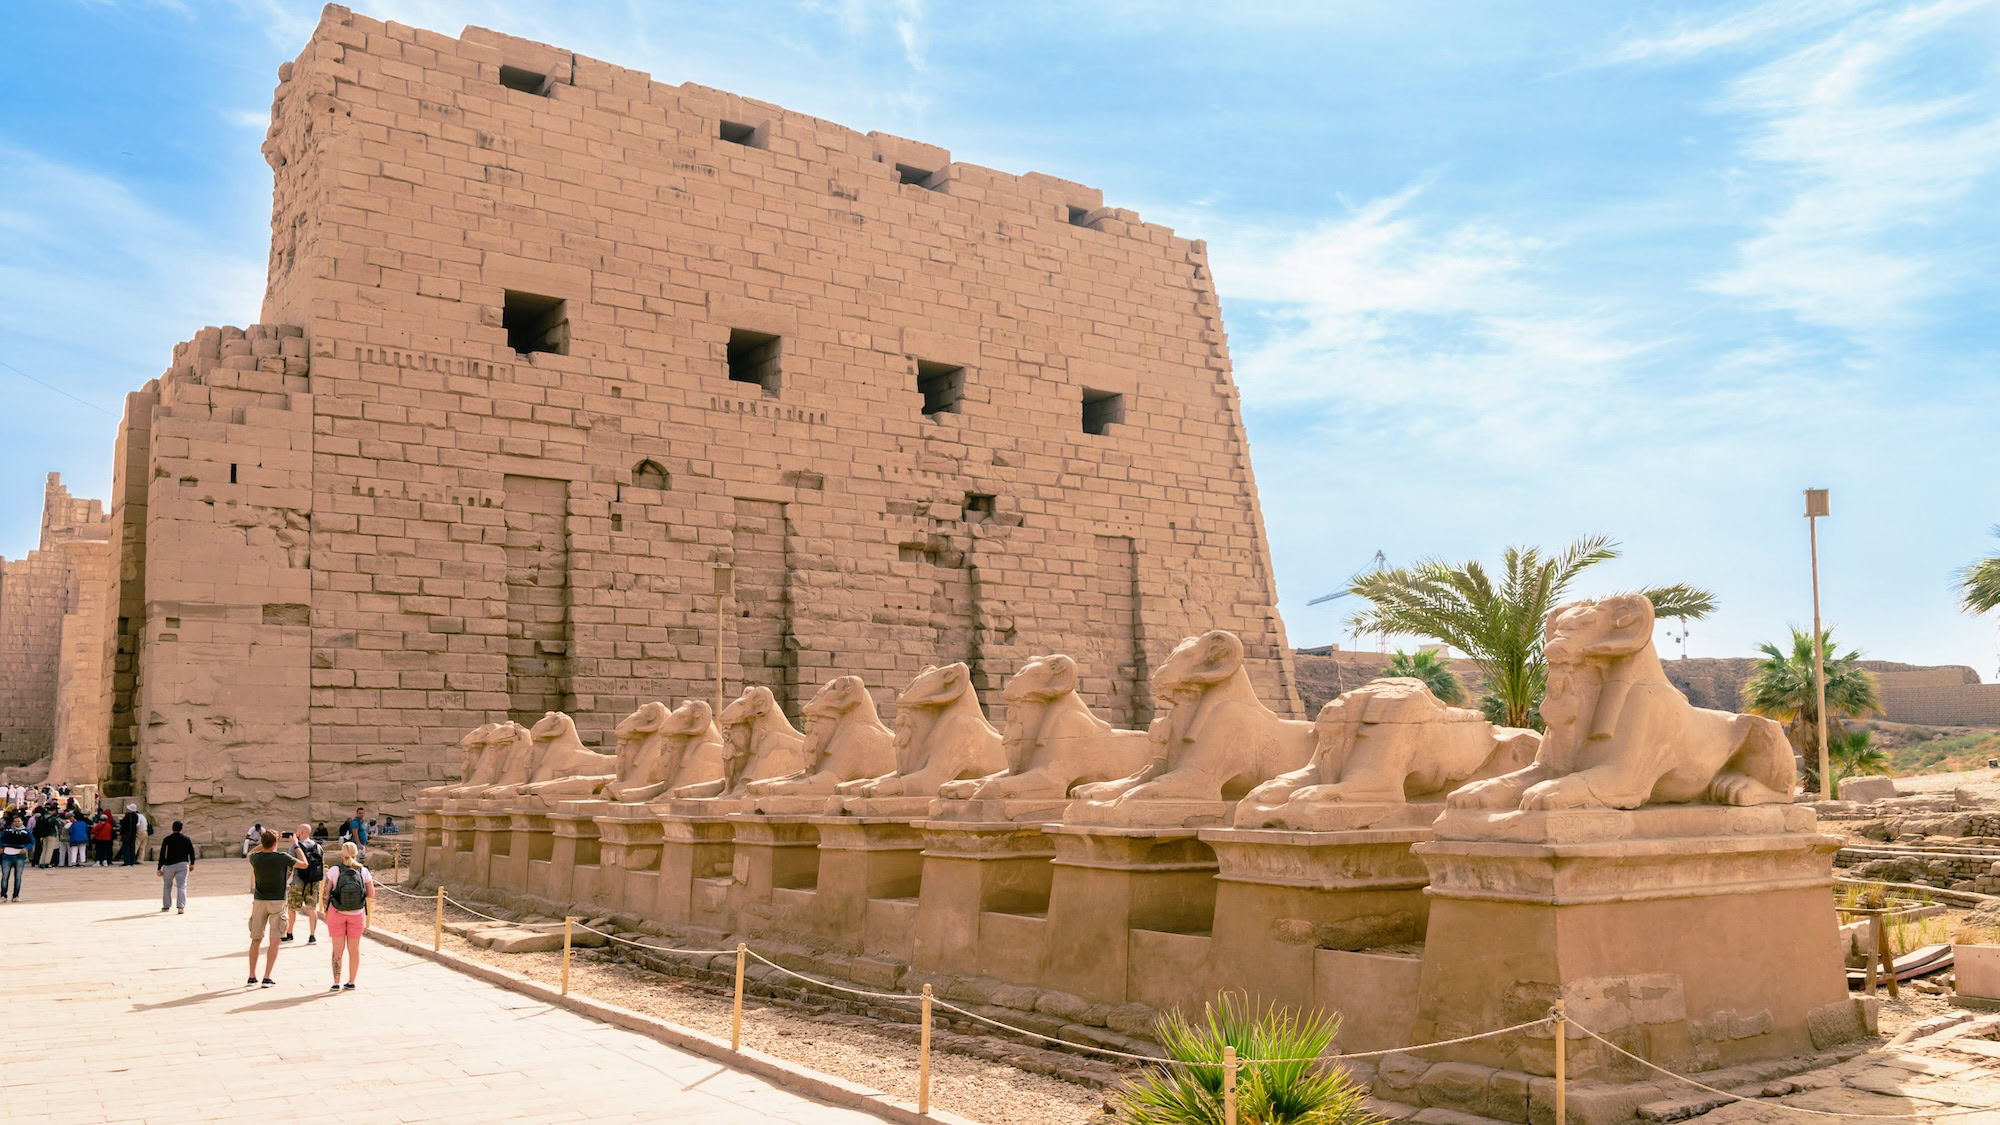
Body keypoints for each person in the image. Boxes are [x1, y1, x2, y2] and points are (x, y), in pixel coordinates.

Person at [246, 829, 304, 986]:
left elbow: (249, 854)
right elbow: (304, 864)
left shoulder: (256, 858)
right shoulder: (282, 857)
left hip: (259, 901)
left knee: (256, 939)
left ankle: (252, 976)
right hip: (277, 901)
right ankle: (266, 977)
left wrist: (262, 845)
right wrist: (296, 845)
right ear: (276, 842)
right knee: (274, 940)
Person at [319, 840, 374, 990]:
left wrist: (325, 910)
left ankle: (336, 982)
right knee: (354, 949)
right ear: (356, 854)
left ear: (341, 853)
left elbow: (326, 894)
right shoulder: (363, 871)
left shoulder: (334, 870)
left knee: (337, 950)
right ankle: (351, 981)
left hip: (336, 912)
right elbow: (371, 894)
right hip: (357, 913)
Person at [284, 821, 324, 945]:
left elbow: (290, 867)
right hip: (313, 883)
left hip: (298, 881)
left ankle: (290, 933)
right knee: (312, 909)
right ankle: (312, 936)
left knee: (292, 908)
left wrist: (285, 879)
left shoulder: (294, 847)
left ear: (300, 832)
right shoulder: (318, 846)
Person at [157, 820, 196, 913]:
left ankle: (166, 906)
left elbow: (162, 854)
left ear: (172, 828)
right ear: (181, 828)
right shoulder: (186, 839)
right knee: (181, 886)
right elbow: (191, 852)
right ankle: (180, 907)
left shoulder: (167, 839)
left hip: (169, 865)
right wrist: (192, 863)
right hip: (182, 864)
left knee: (167, 886)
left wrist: (159, 867)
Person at [0, 813, 31, 901]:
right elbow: (1, 839)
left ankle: (16, 896)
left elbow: (32, 841)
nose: (17, 823)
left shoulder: (26, 831)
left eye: (19, 821)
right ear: (13, 822)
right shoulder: (8, 830)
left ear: (22, 822)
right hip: (7, 856)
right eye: (15, 821)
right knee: (5, 876)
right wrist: (1, 847)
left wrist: (26, 848)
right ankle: (3, 895)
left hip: (19, 857)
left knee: (18, 877)